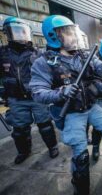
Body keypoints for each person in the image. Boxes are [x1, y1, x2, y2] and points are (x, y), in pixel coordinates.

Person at [29, 15, 102, 195]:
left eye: (73, 32)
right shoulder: (44, 62)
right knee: (81, 153)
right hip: (70, 112)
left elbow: (101, 68)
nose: (74, 36)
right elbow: (37, 93)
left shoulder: (83, 55)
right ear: (54, 36)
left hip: (90, 105)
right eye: (68, 33)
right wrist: (62, 92)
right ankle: (81, 189)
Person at [0, 16, 59, 164]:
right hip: (15, 98)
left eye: (22, 32)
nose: (20, 36)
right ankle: (24, 151)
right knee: (20, 130)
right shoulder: (3, 53)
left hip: (36, 96)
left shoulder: (37, 52)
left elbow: (49, 72)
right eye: (16, 32)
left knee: (45, 124)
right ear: (7, 33)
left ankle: (52, 146)